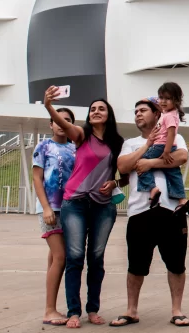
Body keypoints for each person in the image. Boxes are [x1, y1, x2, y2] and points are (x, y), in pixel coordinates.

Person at [43, 87, 124, 329]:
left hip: (103, 206)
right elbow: (65, 125)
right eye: (92, 109)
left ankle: (93, 309)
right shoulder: (81, 135)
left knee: (96, 258)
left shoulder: (117, 142)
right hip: (75, 203)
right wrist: (48, 106)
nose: (96, 112)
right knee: (75, 258)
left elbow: (126, 173)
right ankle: (74, 311)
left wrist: (116, 182)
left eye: (101, 108)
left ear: (108, 114)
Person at [109, 98, 189, 327]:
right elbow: (124, 166)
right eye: (135, 111)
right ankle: (131, 310)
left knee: (176, 264)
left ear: (157, 114)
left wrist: (148, 163)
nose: (138, 114)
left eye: (143, 110)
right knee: (136, 265)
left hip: (172, 210)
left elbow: (181, 156)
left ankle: (177, 310)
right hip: (140, 211)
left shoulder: (175, 136)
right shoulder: (131, 143)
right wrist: (146, 148)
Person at [33, 107, 76, 326]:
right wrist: (46, 207)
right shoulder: (43, 146)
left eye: (66, 120)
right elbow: (37, 178)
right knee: (60, 257)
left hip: (70, 208)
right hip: (50, 209)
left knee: (55, 258)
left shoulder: (74, 148)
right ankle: (49, 310)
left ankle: (53, 307)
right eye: (57, 120)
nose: (61, 123)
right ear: (51, 124)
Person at [136, 83, 189, 215]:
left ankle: (152, 188)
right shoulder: (168, 111)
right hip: (166, 146)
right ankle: (182, 199)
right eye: (161, 98)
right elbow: (154, 100)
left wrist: (166, 151)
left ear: (176, 100)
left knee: (141, 162)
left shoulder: (169, 115)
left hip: (161, 146)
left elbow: (171, 133)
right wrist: (147, 99)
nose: (162, 101)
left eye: (167, 99)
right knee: (173, 172)